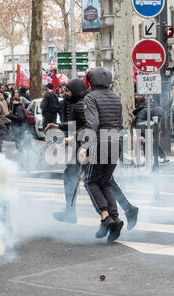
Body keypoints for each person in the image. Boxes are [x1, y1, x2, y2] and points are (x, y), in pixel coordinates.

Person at [45, 79, 138, 229]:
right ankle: (124, 210)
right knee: (103, 180)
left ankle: (108, 214)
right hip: (93, 145)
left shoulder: (83, 104)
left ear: (75, 91)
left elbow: (88, 127)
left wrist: (75, 139)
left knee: (96, 180)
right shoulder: (85, 102)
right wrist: (61, 127)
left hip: (88, 147)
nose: (66, 94)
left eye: (68, 91)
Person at [78, 67, 125, 242]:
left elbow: (93, 123)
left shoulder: (90, 97)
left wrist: (85, 146)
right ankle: (115, 217)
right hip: (116, 140)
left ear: (91, 81)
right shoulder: (115, 96)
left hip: (99, 142)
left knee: (90, 180)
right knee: (105, 180)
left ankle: (105, 216)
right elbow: (120, 122)